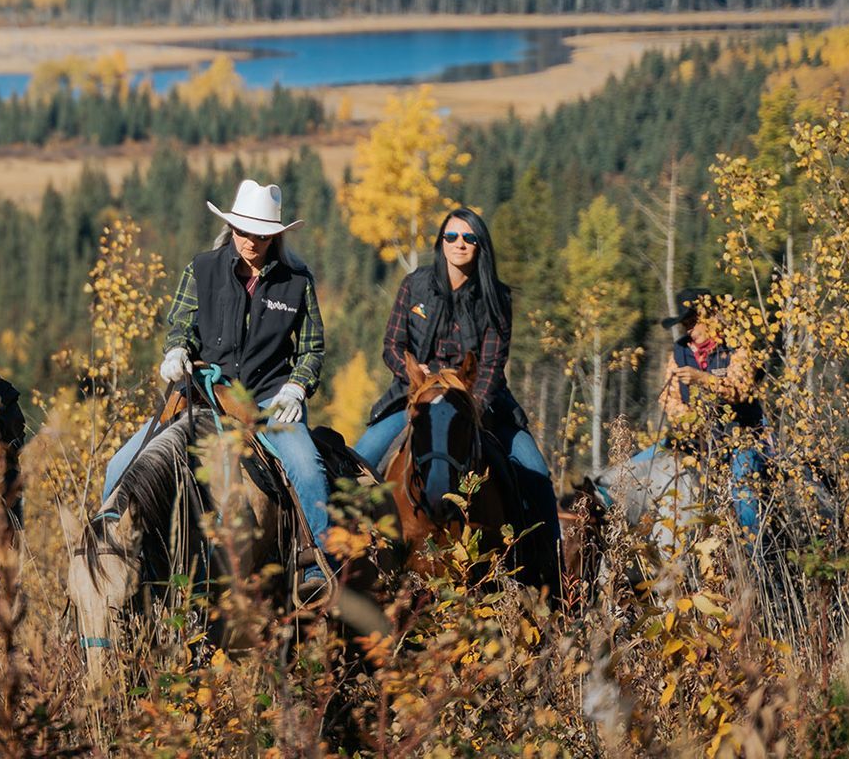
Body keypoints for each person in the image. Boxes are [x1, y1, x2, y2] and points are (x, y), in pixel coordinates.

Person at [102, 179, 332, 598]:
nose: (251, 241)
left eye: (262, 235)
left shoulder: (297, 282)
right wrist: (176, 352)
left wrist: (297, 388)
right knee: (119, 466)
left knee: (308, 467)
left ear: (275, 237)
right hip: (205, 392)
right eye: (244, 231)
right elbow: (181, 326)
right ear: (231, 227)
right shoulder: (202, 268)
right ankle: (108, 557)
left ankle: (317, 559)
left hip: (267, 399)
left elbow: (312, 348)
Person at [350, 208, 560, 594]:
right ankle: (351, 567)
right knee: (358, 462)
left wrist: (470, 406)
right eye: (451, 237)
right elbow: (393, 347)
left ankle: (549, 569)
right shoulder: (415, 286)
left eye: (468, 238)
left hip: (476, 404)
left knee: (537, 475)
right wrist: (418, 382)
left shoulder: (495, 297)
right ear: (441, 243)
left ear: (480, 246)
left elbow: (493, 365)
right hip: (418, 400)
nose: (459, 244)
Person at [631, 287, 768, 539]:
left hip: (742, 436)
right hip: (695, 439)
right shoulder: (680, 352)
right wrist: (688, 420)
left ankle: (755, 558)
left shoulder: (738, 347)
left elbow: (740, 390)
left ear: (712, 316)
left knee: (743, 487)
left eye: (693, 321)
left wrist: (703, 379)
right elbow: (668, 397)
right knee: (634, 469)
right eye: (685, 323)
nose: (688, 329)